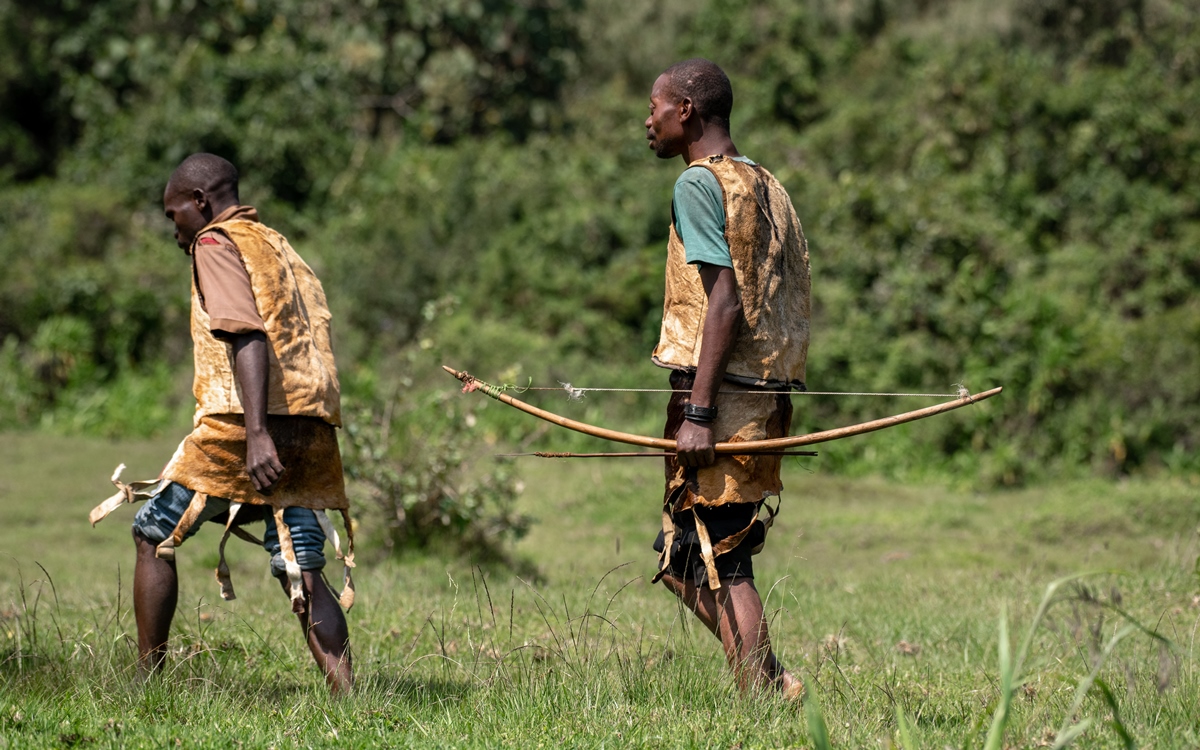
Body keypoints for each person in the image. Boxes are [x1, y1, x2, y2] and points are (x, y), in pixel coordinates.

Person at [89, 153, 355, 693]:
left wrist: (256, 434)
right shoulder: (278, 244)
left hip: (246, 425)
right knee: (301, 563)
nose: (175, 229)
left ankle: (149, 685)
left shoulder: (216, 243)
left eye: (174, 215)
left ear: (201, 203)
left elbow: (246, 334)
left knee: (152, 533)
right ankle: (351, 701)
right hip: (311, 425)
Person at [644, 59, 811, 697]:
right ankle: (771, 680)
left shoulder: (697, 184)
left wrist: (700, 412)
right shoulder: (769, 185)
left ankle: (760, 698)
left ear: (685, 109)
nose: (648, 121)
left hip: (721, 398)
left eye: (654, 107)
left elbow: (725, 303)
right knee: (684, 559)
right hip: (763, 395)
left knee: (723, 556)